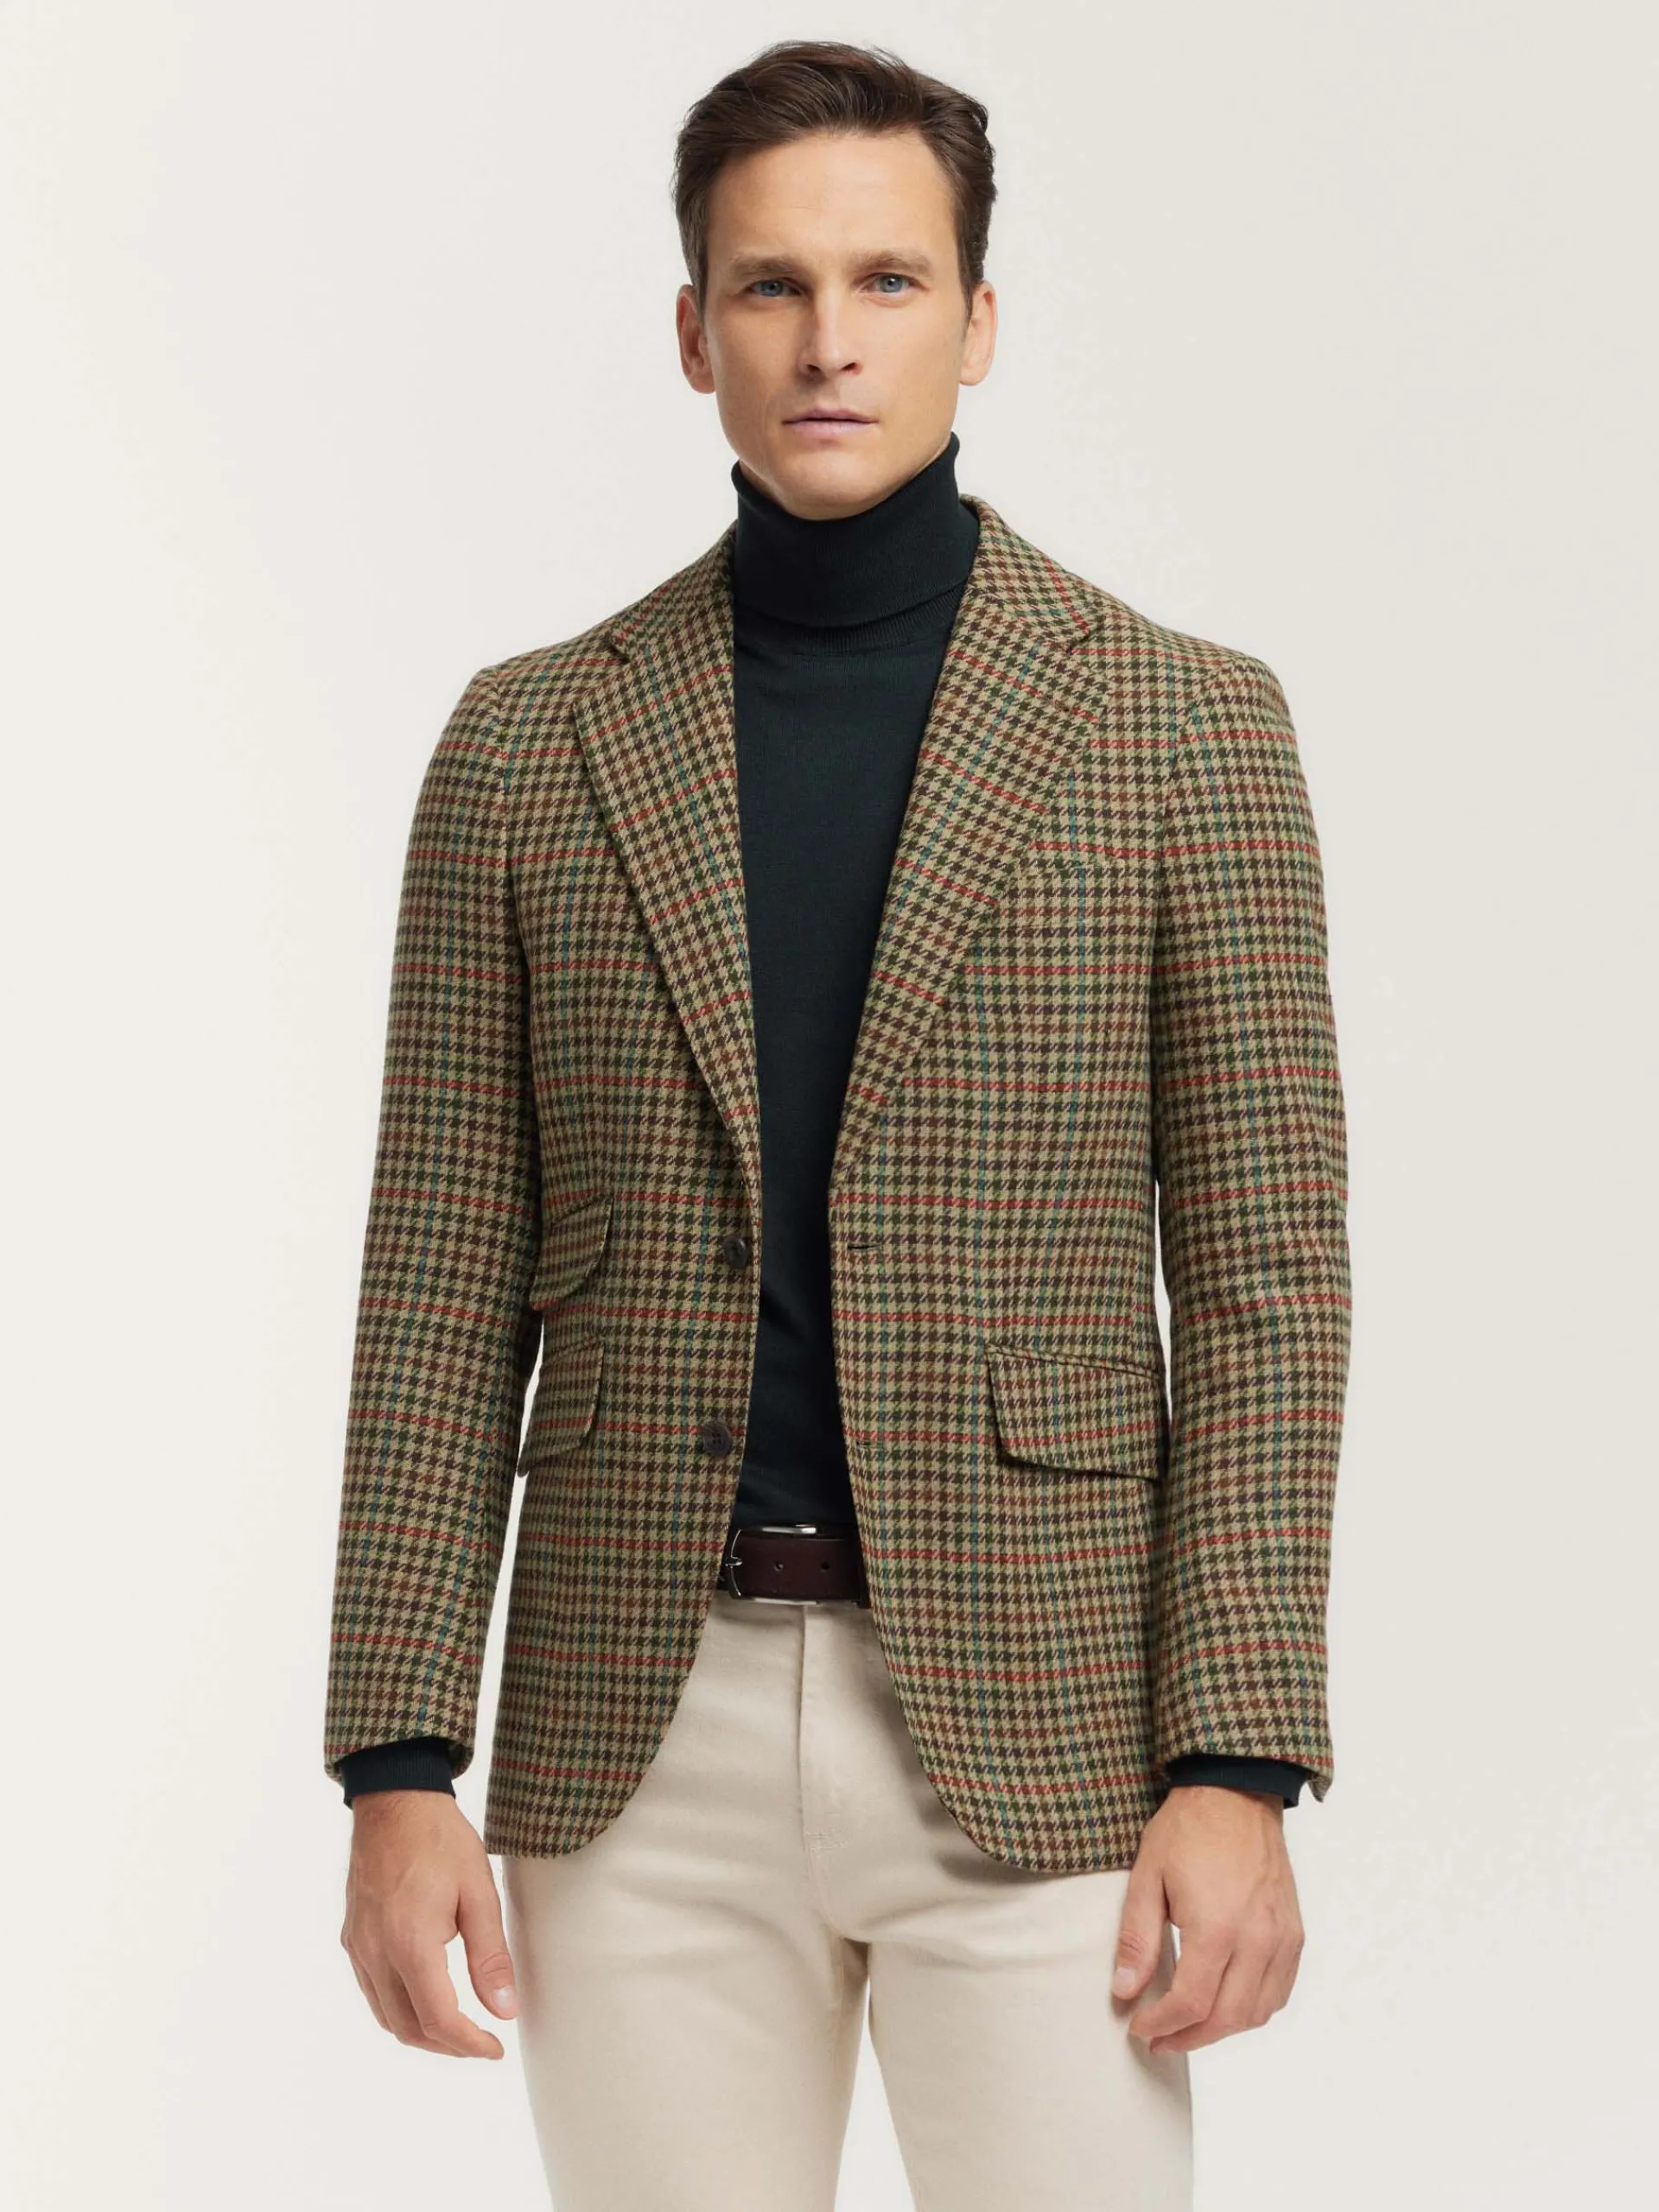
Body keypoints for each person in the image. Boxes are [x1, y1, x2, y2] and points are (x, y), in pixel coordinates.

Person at [323, 38, 1351, 2212]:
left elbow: (1266, 1282)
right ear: (693, 330)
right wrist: (397, 1759)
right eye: (770, 285)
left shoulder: (1185, 727)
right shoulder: (527, 744)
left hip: (1050, 1721)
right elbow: (438, 1278)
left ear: (979, 320)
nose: (828, 340)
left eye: (888, 279)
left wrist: (1238, 1753)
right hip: (637, 1734)